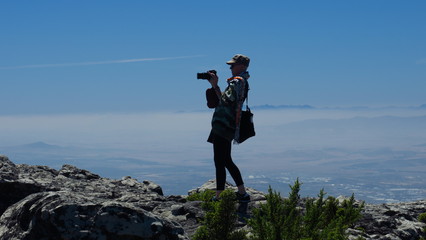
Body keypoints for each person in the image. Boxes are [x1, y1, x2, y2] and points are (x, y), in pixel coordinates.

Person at [205, 54, 251, 202]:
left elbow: (224, 101)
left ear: (242, 66)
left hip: (223, 126)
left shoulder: (237, 82)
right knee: (226, 160)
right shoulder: (241, 81)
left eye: (233, 65)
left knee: (220, 160)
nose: (230, 68)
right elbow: (226, 100)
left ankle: (219, 196)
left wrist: (215, 85)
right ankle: (242, 193)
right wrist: (215, 86)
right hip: (228, 126)